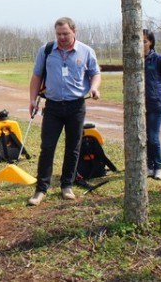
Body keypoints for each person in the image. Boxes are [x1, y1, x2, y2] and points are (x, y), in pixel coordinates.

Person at [27, 17, 101, 206]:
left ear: (74, 31)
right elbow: (36, 76)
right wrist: (32, 100)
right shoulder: (47, 50)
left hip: (76, 106)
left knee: (73, 147)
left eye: (66, 33)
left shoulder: (86, 52)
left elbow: (95, 73)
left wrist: (94, 88)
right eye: (59, 34)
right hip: (52, 106)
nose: (62, 37)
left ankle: (66, 185)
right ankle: (41, 189)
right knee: (47, 147)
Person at [143, 29, 161, 181]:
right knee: (145, 138)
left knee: (153, 137)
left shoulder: (159, 59)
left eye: (144, 41)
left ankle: (158, 167)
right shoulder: (134, 59)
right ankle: (149, 166)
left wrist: (158, 95)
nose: (142, 45)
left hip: (155, 104)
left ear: (151, 42)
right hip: (140, 105)